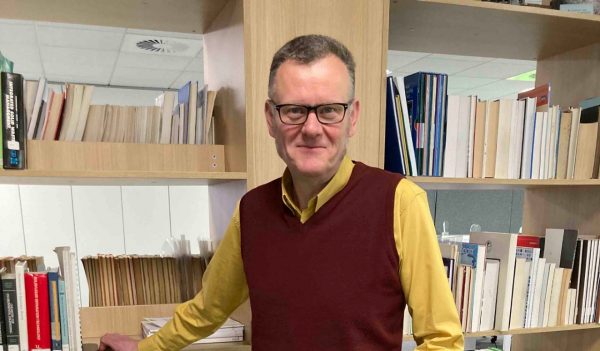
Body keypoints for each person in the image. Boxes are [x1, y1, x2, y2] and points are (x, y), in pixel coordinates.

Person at [99, 34, 463, 351]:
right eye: (293, 110)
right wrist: (145, 347)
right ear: (270, 118)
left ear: (352, 117)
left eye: (329, 110)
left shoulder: (399, 202)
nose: (311, 128)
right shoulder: (252, 210)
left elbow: (442, 340)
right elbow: (208, 308)